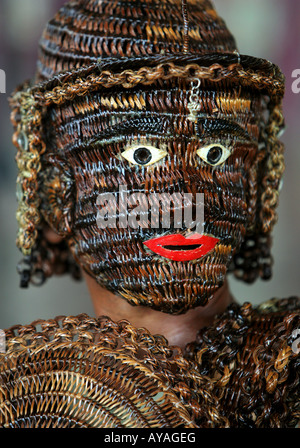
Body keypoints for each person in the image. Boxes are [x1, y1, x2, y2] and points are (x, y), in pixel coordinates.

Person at [0, 0, 299, 428]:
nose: (188, 195)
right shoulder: (17, 397)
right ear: (51, 195)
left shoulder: (288, 373)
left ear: (253, 184)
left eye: (215, 154)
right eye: (142, 155)